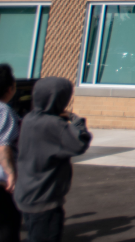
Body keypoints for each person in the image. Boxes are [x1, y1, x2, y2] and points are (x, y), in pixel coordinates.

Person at [15, 77, 92, 242]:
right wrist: (77, 122)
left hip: (27, 193)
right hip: (45, 198)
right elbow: (79, 144)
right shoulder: (54, 125)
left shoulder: (29, 119)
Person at [0, 64, 21, 242]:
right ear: (9, 88)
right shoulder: (4, 111)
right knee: (8, 223)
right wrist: (11, 173)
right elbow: (3, 145)